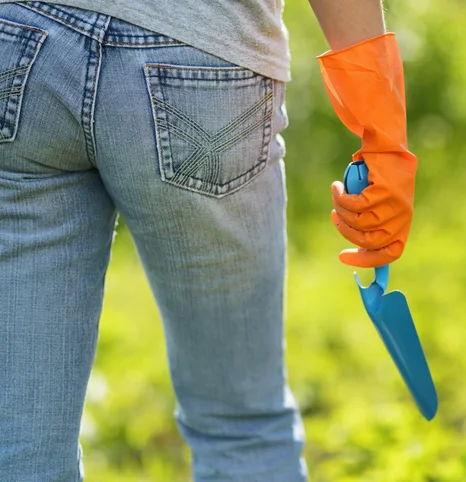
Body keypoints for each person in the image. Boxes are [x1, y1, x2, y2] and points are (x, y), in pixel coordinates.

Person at [0, 0, 415, 480]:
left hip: (25, 42)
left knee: (18, 439)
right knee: (240, 429)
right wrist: (381, 129)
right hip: (201, 54)